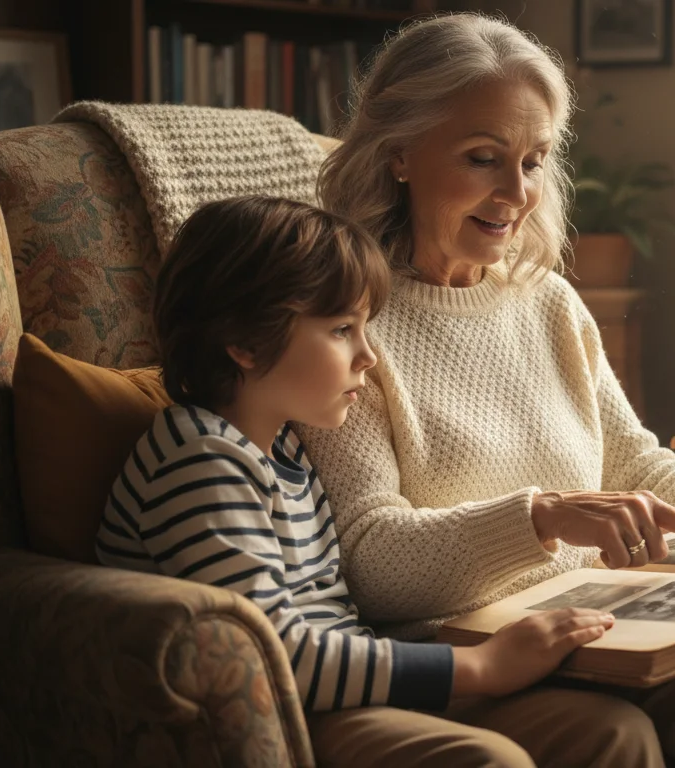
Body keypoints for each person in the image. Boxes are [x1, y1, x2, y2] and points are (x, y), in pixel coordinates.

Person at [306, 12, 675, 768]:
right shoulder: (346, 328)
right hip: (465, 638)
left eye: (533, 161)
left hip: (597, 611)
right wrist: (543, 518)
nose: (516, 193)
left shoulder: (548, 303)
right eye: (482, 158)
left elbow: (635, 470)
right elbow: (371, 560)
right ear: (399, 152)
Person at [95, 196, 646, 768]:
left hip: (355, 687)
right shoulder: (200, 460)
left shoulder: (281, 445)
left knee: (608, 731)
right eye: (341, 330)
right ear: (245, 342)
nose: (369, 356)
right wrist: (480, 667)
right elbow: (269, 655)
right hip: (300, 718)